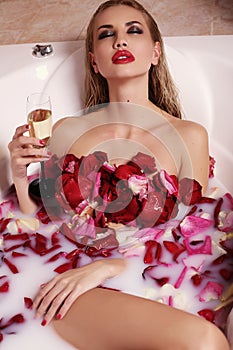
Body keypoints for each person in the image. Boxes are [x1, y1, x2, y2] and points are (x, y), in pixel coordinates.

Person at [8, 0, 230, 349]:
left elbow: (192, 235)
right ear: (94, 60)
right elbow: (34, 221)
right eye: (106, 34)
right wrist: (20, 175)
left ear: (155, 52)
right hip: (67, 280)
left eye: (134, 31)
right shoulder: (67, 130)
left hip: (156, 280)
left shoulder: (189, 135)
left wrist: (110, 267)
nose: (120, 41)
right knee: (205, 342)